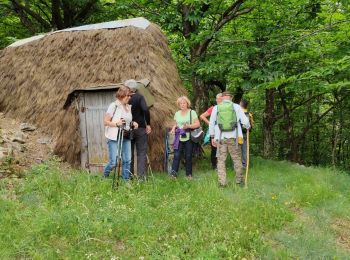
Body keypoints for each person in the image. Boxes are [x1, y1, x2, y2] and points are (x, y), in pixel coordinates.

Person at [209, 91, 250, 186]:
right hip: (234, 138)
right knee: (236, 159)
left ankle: (222, 182)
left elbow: (211, 123)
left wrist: (212, 137)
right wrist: (247, 126)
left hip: (220, 138)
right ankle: (239, 181)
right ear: (231, 98)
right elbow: (245, 121)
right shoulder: (236, 106)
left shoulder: (216, 108)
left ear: (222, 98)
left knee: (221, 160)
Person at [103, 85, 138, 180]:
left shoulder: (128, 107)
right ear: (122, 95)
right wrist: (116, 124)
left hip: (126, 136)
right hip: (114, 136)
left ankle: (125, 180)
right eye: (128, 95)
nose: (130, 97)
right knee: (113, 162)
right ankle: (104, 176)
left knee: (127, 160)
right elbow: (105, 121)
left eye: (130, 96)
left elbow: (126, 121)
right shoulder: (113, 106)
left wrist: (132, 123)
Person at [125, 79, 151, 181]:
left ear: (127, 88)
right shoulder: (139, 97)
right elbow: (145, 109)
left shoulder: (125, 98)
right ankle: (141, 178)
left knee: (129, 153)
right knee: (141, 153)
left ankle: (129, 177)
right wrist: (148, 124)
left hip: (128, 129)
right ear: (136, 88)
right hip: (140, 129)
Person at [170, 96, 200, 179]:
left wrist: (188, 126)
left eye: (184, 103)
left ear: (187, 104)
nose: (182, 105)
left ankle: (189, 175)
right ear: (179, 105)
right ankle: (173, 175)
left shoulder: (192, 112)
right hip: (178, 137)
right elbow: (176, 124)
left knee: (188, 156)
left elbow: (198, 124)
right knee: (176, 155)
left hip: (189, 137)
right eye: (180, 103)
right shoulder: (177, 113)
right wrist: (173, 128)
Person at [200, 93, 223, 169]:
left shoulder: (226, 108)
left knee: (223, 147)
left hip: (223, 130)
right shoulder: (213, 108)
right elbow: (202, 116)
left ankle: (221, 165)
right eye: (218, 99)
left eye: (221, 99)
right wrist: (210, 123)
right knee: (214, 148)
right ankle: (214, 165)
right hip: (214, 131)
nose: (219, 100)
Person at [240, 99, 254, 169]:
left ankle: (237, 165)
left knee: (236, 150)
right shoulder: (249, 114)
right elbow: (251, 125)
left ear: (241, 104)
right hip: (245, 134)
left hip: (238, 134)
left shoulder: (238, 113)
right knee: (244, 150)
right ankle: (245, 165)